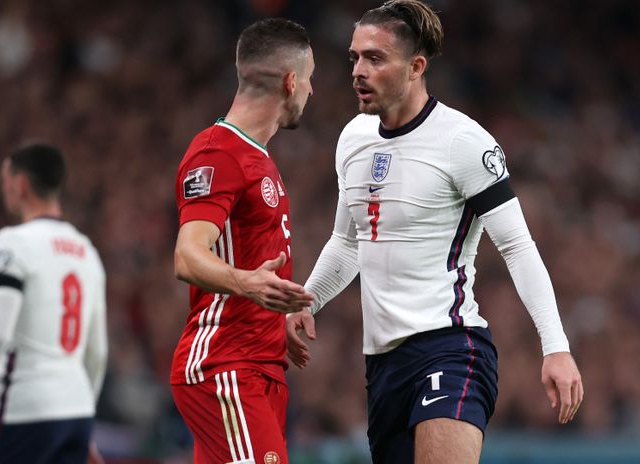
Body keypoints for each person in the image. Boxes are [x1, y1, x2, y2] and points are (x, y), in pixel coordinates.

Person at [285, 1, 583, 463]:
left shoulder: (462, 142)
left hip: (451, 347)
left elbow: (518, 246)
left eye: (375, 58)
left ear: (416, 67)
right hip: (383, 364)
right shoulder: (352, 140)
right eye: (355, 57)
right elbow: (348, 243)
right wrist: (309, 299)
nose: (358, 71)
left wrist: (556, 347)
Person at [171, 18, 315, 464]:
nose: (312, 93)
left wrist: (277, 316)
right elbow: (187, 255)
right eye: (310, 81)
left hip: (258, 367)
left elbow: (249, 260)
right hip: (225, 366)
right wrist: (248, 284)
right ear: (291, 82)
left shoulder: (257, 158)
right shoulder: (219, 152)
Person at [0, 143, 108, 464]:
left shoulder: (14, 243)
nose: (4, 189)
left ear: (21, 183)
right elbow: (98, 352)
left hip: (27, 409)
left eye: (5, 180)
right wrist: (84, 422)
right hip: (77, 412)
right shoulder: (88, 252)